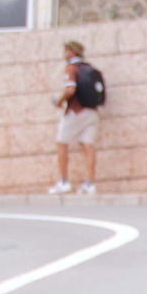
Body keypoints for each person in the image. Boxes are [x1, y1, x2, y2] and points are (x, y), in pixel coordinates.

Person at [49, 39, 99, 195]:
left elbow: (70, 90)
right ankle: (90, 183)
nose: (64, 54)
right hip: (93, 112)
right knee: (87, 145)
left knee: (62, 143)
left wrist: (60, 101)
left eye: (66, 50)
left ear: (72, 51)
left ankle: (64, 181)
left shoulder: (71, 68)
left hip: (76, 111)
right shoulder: (88, 67)